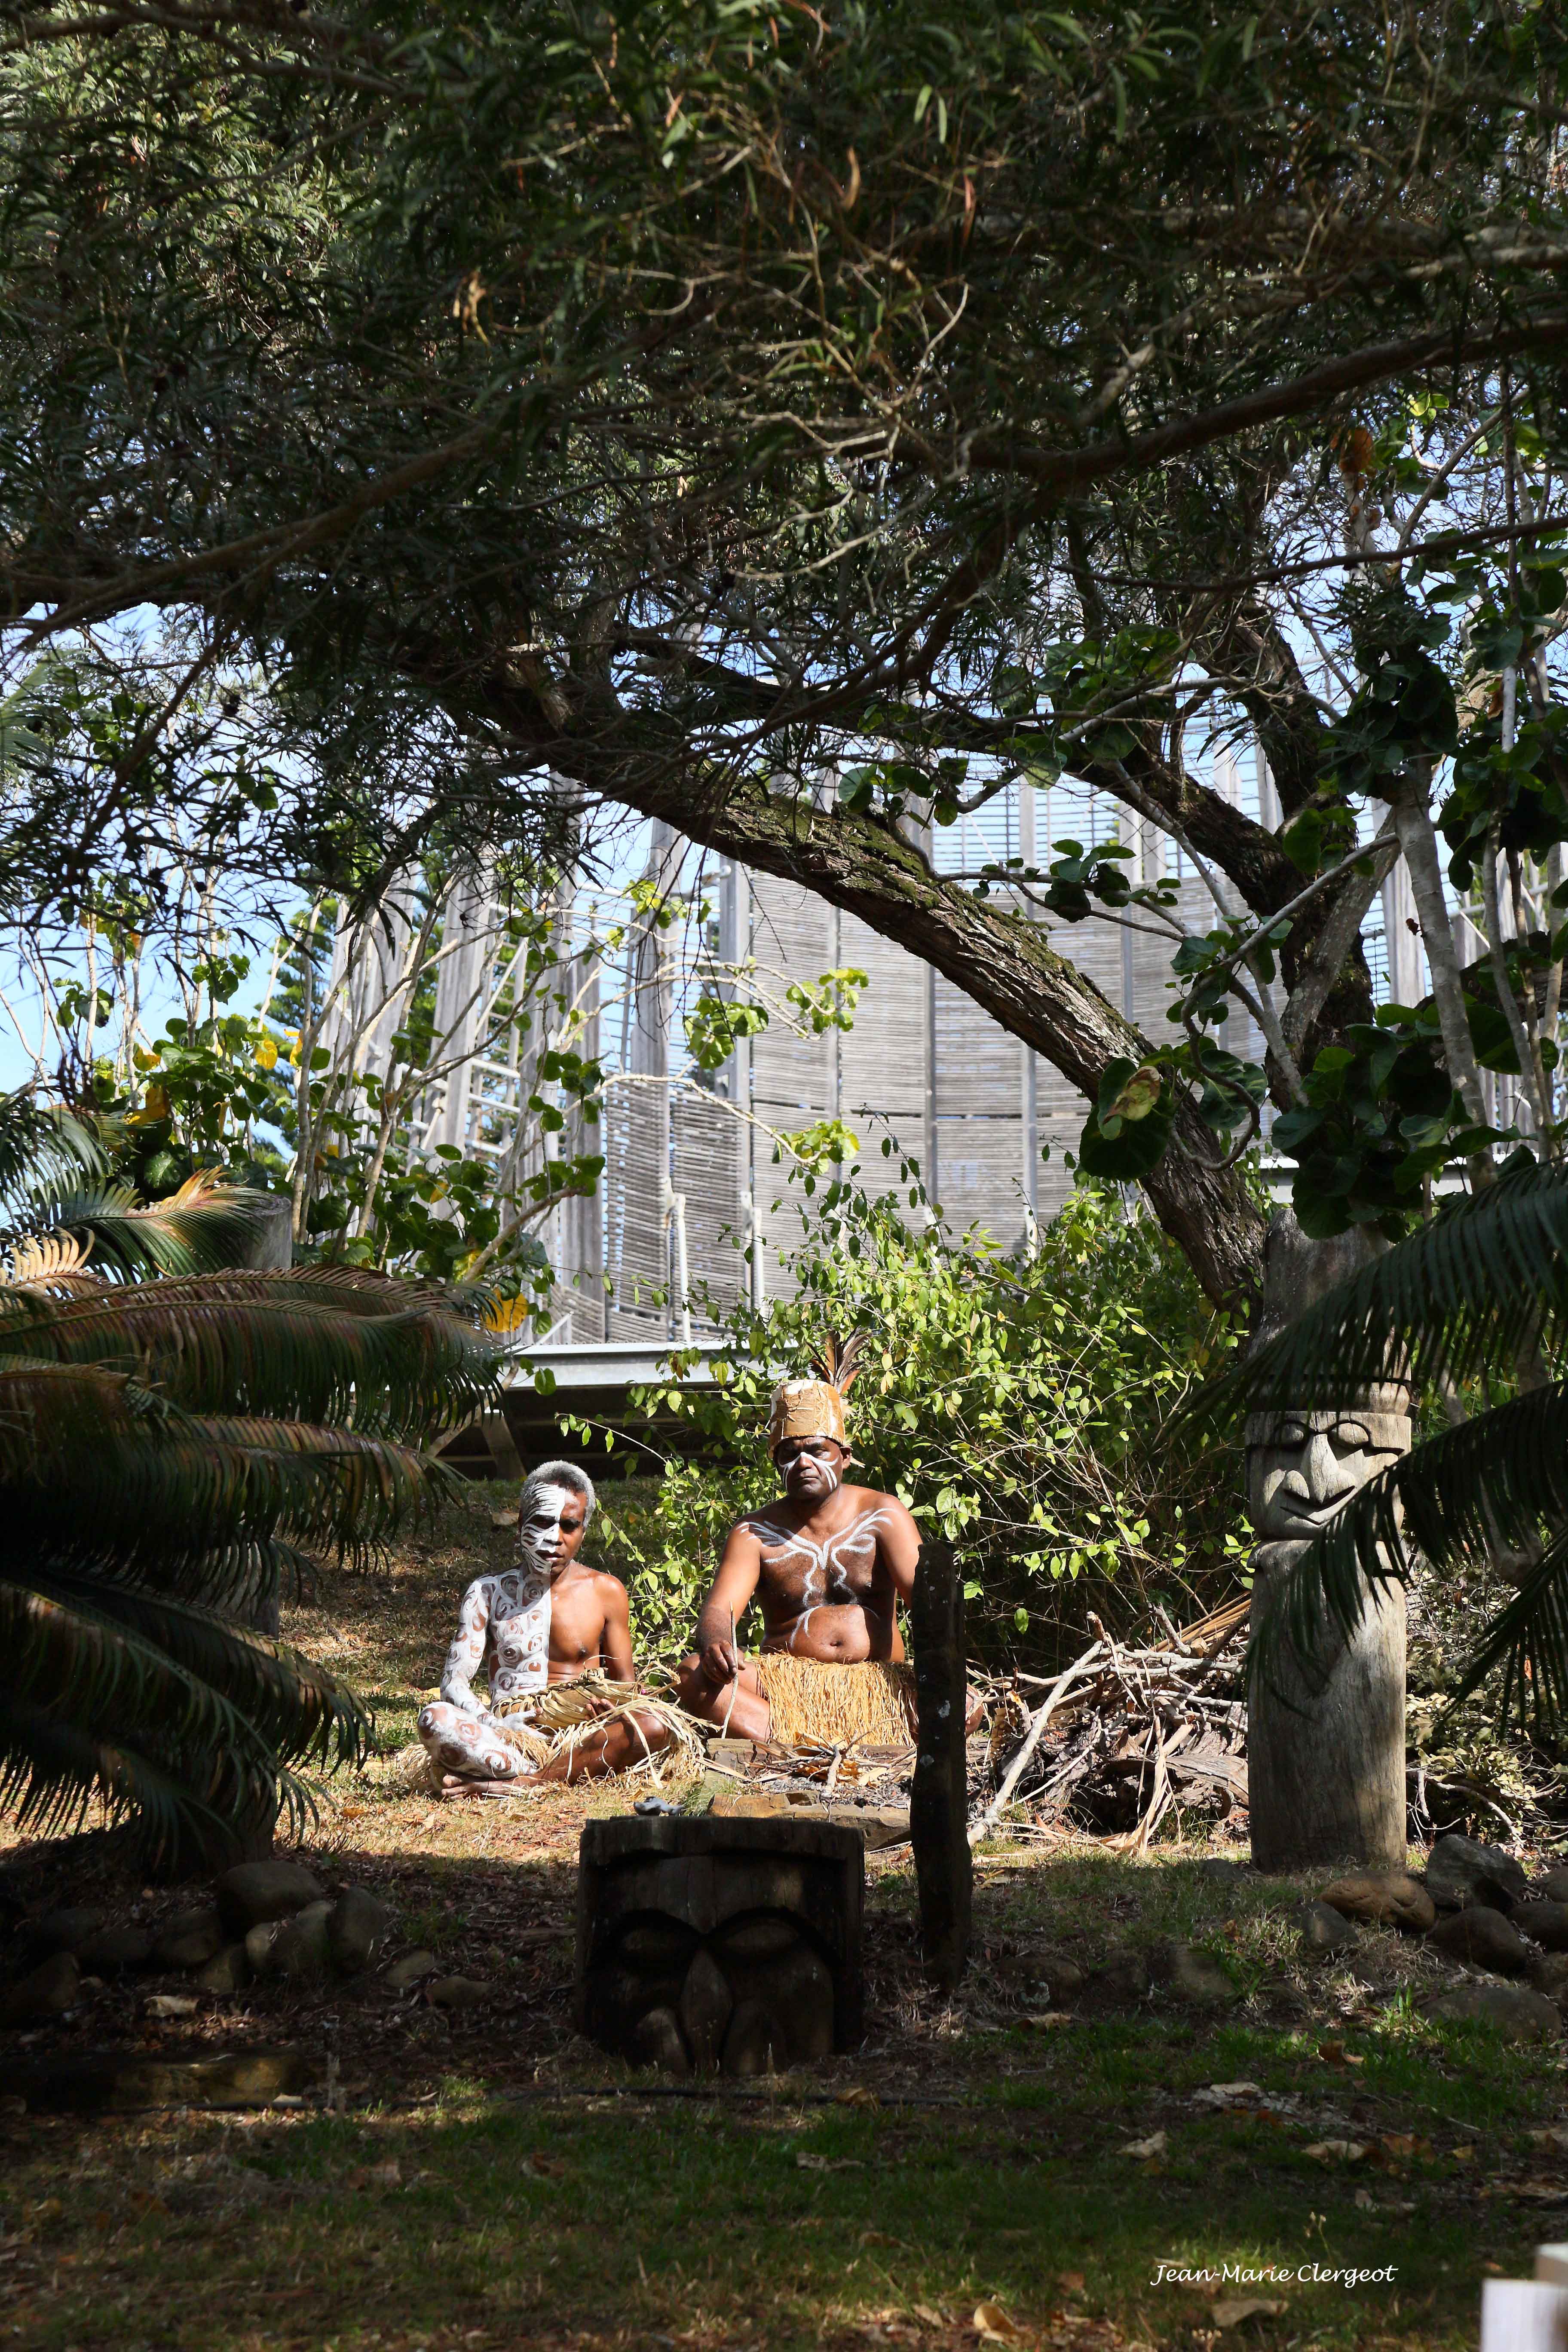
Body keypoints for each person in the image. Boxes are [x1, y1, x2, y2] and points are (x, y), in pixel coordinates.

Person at [676, 1336, 927, 1750]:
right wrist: (716, 1643)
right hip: (784, 1690)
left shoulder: (884, 1515)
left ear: (844, 1456)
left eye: (816, 1450)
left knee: (962, 1705)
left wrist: (945, 1677)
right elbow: (721, 1607)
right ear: (777, 1464)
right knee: (690, 1675)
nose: (803, 1463)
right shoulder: (753, 1532)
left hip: (879, 1684)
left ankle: (806, 1743)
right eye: (789, 1454)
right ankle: (804, 1740)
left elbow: (928, 1603)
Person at [417, 1460, 672, 1791]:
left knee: (654, 1725)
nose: (555, 1538)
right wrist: (495, 1724)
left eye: (569, 1525)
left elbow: (626, 1687)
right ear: (521, 1523)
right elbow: (453, 1683)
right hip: (507, 1738)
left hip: (581, 1734)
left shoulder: (606, 1591)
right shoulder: (487, 1592)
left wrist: (608, 1712)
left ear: (584, 1529)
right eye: (542, 1522)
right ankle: (544, 1771)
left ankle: (520, 1782)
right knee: (434, 1718)